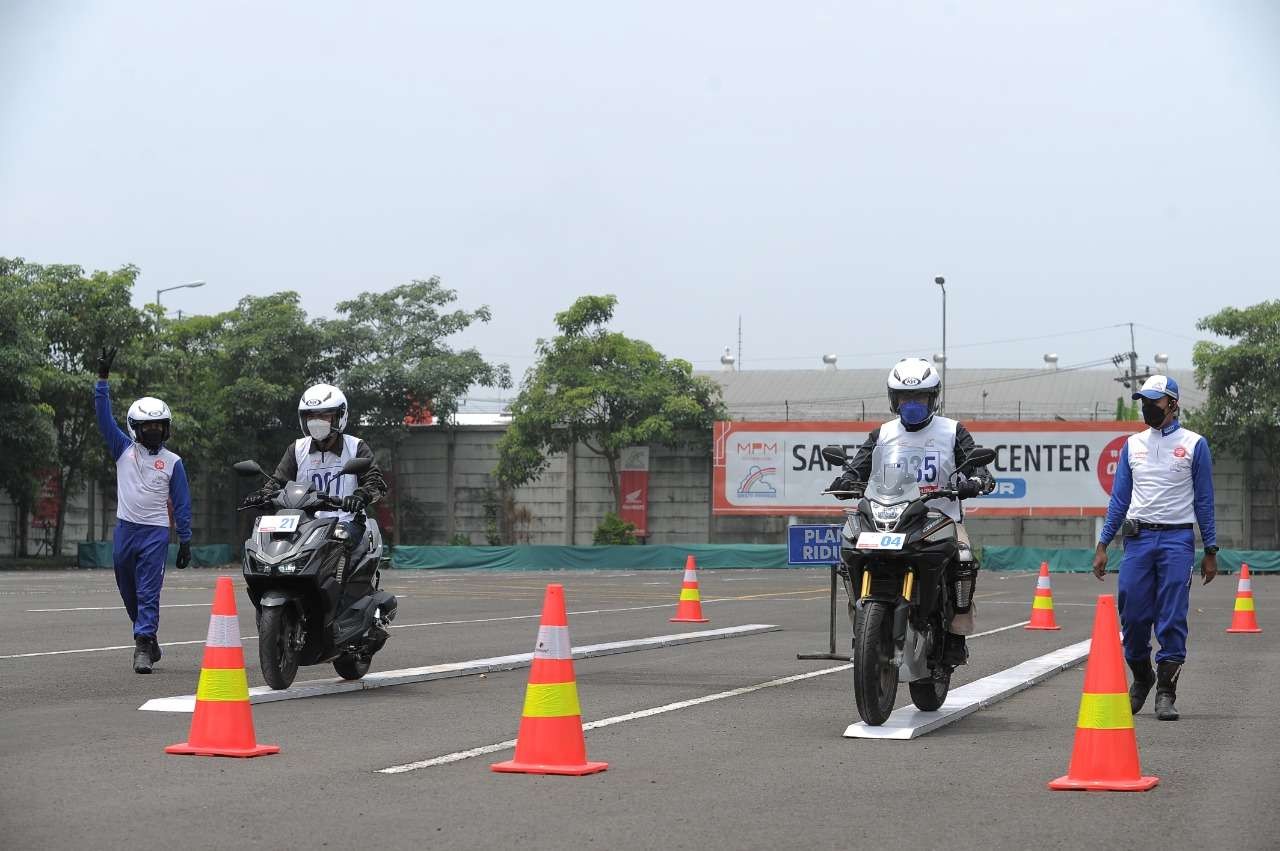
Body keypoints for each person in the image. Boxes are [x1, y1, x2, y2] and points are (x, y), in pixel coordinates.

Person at [829, 357, 995, 668]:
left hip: (938, 518)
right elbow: (858, 466)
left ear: (933, 398)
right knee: (850, 548)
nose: (912, 404)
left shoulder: (952, 431)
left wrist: (978, 480)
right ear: (894, 399)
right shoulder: (883, 433)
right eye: (906, 397)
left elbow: (979, 466)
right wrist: (846, 478)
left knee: (963, 558)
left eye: (919, 397)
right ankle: (862, 623)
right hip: (889, 515)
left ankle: (956, 637)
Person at [1092, 373, 1218, 721]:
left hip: (1178, 540)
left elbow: (1205, 501)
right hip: (1138, 540)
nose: (1147, 407)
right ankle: (1143, 676)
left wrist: (1210, 549)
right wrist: (1103, 544)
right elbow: (1119, 500)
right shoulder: (1133, 445)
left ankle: (1165, 692)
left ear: (1173, 404)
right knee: (1132, 615)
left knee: (1172, 617)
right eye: (1144, 402)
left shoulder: (1195, 444)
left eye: (1154, 401)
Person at [94, 347, 193, 674]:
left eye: (159, 426)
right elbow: (103, 417)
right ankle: (148, 637)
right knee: (128, 589)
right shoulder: (123, 449)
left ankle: (142, 646)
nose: (154, 431)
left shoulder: (173, 462)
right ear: (136, 428)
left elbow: (181, 503)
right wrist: (102, 381)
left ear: (167, 428)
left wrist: (186, 540)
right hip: (125, 530)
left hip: (155, 533)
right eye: (147, 427)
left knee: (149, 590)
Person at [241, 384, 387, 590]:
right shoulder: (297, 449)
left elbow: (375, 481)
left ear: (339, 417)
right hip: (301, 521)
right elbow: (278, 481)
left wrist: (360, 496)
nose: (317, 422)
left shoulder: (355, 446)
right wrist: (262, 495)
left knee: (337, 544)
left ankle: (340, 596)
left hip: (344, 519)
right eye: (311, 417)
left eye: (324, 416)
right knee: (267, 538)